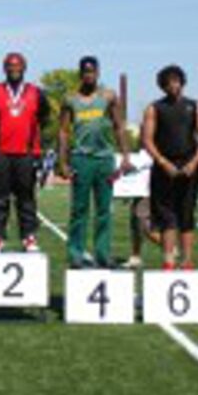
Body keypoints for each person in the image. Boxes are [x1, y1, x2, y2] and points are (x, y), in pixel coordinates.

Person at [59, 56, 131, 268]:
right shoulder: (70, 99)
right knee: (79, 209)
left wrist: (125, 155)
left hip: (104, 159)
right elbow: (63, 132)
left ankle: (102, 253)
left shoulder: (109, 96)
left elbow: (119, 126)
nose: (89, 75)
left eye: (92, 71)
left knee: (103, 210)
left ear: (98, 73)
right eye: (85, 71)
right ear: (80, 74)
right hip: (81, 159)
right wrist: (63, 163)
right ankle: (75, 253)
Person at [0, 52, 51, 252]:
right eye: (10, 66)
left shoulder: (36, 93)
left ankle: (28, 236)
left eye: (17, 65)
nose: (14, 69)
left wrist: (30, 138)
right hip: (0, 153)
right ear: (4, 68)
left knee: (26, 197)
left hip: (26, 154)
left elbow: (44, 118)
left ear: (24, 68)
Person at [142, 64, 198, 270]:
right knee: (167, 216)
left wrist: (194, 162)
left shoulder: (195, 106)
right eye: (169, 82)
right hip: (164, 167)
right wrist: (162, 162)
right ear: (163, 85)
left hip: (190, 165)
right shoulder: (154, 108)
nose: (174, 85)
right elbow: (147, 139)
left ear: (182, 82)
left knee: (187, 214)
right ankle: (169, 260)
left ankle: (187, 260)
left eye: (177, 81)